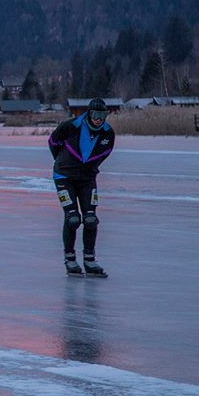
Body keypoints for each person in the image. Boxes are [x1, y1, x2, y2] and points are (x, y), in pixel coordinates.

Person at [47, 98, 116, 277]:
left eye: (102, 115)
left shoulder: (108, 134)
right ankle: (70, 259)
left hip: (87, 179)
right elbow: (53, 142)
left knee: (91, 219)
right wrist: (64, 161)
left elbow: (104, 154)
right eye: (95, 115)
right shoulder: (71, 126)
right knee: (73, 219)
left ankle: (89, 260)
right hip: (64, 177)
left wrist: (89, 168)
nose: (98, 119)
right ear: (88, 113)